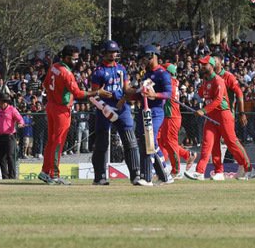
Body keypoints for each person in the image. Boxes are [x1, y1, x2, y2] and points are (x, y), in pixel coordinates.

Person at [40, 45, 110, 185]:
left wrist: (55, 95)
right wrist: (97, 93)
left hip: (51, 106)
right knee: (58, 142)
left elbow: (46, 84)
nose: (77, 62)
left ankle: (45, 172)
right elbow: (78, 94)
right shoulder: (67, 73)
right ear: (66, 58)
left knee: (52, 141)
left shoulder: (54, 67)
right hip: (61, 110)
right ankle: (54, 174)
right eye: (74, 59)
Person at [184, 56, 253, 181]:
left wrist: (203, 110)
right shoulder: (205, 81)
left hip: (223, 114)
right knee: (208, 143)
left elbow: (218, 100)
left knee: (231, 142)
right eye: (201, 65)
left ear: (212, 65)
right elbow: (200, 94)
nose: (202, 67)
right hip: (211, 114)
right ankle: (207, 171)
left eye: (205, 65)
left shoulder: (219, 80)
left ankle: (246, 166)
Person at [90, 40, 141, 185]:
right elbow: (93, 95)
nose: (113, 54)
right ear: (104, 53)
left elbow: (126, 89)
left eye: (115, 52)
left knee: (130, 141)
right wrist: (102, 104)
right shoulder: (98, 72)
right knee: (102, 143)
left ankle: (135, 175)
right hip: (104, 108)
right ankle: (99, 177)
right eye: (111, 52)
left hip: (121, 107)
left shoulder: (122, 69)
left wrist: (138, 90)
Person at [126, 45, 172, 185]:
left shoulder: (163, 74)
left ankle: (147, 177)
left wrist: (154, 94)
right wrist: (132, 94)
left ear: (153, 56)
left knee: (149, 141)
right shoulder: (145, 74)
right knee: (149, 142)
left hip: (156, 111)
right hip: (143, 111)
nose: (144, 61)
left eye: (146, 57)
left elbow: (168, 93)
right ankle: (164, 174)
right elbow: (141, 94)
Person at [157, 63, 193, 179]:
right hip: (169, 116)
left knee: (170, 143)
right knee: (164, 142)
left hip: (172, 116)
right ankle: (187, 155)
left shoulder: (170, 84)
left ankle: (176, 170)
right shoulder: (174, 82)